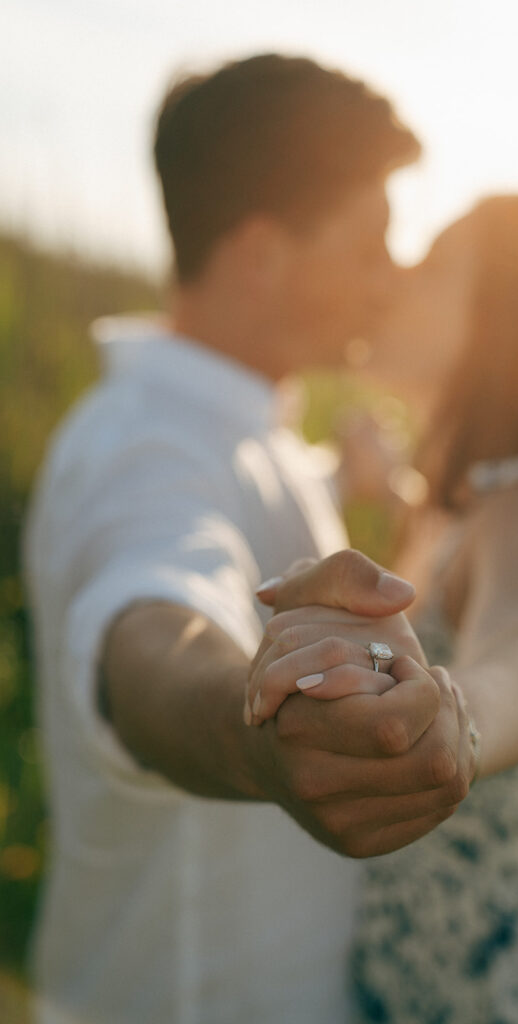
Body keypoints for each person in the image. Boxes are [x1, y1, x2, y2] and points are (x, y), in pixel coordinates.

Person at [24, 54, 476, 1024]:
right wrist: (254, 728)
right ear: (264, 251)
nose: (389, 277)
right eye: (368, 245)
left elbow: (248, 526)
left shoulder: (244, 428)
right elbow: (150, 621)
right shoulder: (137, 447)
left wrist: (358, 482)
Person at [248, 195, 518, 1022]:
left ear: (513, 322)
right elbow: (463, 576)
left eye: (436, 263)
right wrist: (369, 478)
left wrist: (453, 712)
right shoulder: (468, 506)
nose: (398, 276)